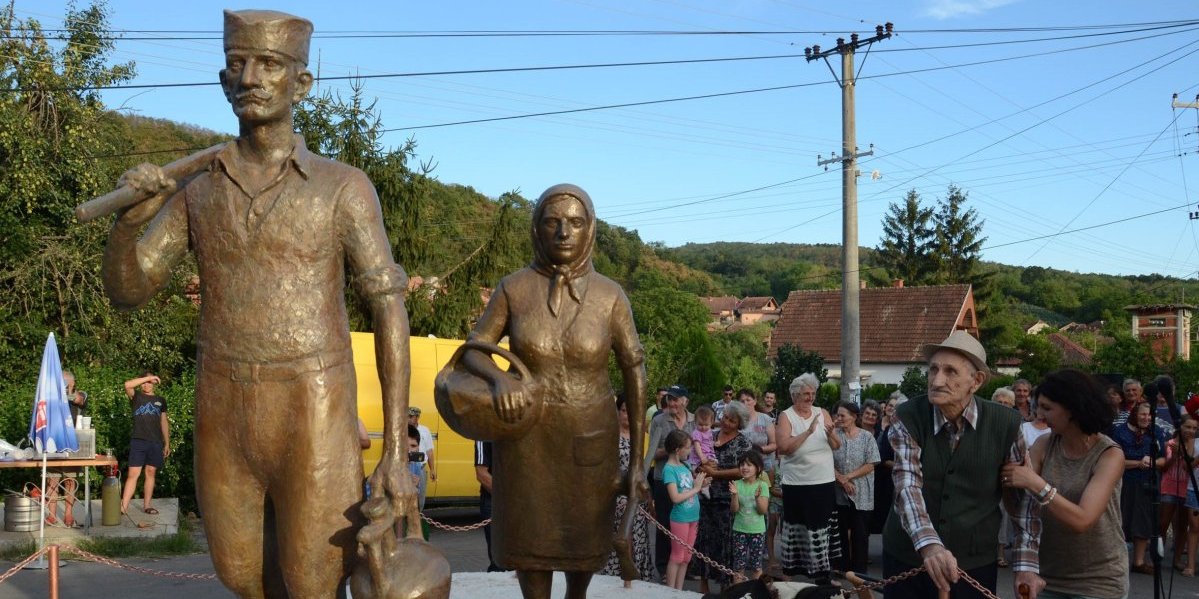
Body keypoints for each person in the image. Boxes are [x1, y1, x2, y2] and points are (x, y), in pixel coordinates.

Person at [100, 10, 418, 596]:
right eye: (237, 65)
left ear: (300, 83)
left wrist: (396, 451)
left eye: (269, 64)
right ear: (225, 83)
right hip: (222, 402)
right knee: (241, 577)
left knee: (315, 581)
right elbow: (130, 290)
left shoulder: (342, 187)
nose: (250, 77)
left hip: (313, 403)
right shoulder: (198, 190)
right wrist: (126, 227)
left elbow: (388, 306)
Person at [461, 184, 647, 599]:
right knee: (532, 545)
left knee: (583, 544)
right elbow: (473, 352)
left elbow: (635, 369)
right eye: (552, 222)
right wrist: (500, 378)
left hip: (589, 440)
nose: (564, 232)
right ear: (537, 230)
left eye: (575, 223)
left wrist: (636, 462)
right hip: (527, 441)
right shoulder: (514, 288)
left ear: (590, 230)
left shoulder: (609, 295)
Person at [882, 331, 1031, 599]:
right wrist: (929, 546)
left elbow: (1020, 500)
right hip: (907, 557)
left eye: (951, 372)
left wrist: (1026, 564)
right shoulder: (908, 416)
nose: (937, 380)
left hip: (974, 561)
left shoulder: (1007, 424)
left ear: (976, 381)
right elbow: (907, 485)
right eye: (934, 369)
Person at [1000, 368, 1127, 599]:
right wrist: (1009, 483)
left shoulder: (1109, 454)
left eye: (1047, 408)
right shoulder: (1043, 444)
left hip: (1099, 583)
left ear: (1073, 409)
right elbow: (1022, 509)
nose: (1039, 414)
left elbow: (1082, 520)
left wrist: (1034, 482)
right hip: (1047, 577)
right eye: (1038, 406)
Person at [777, 373, 841, 583]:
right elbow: (784, 448)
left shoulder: (822, 412)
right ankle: (790, 577)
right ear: (795, 395)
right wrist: (808, 432)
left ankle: (822, 576)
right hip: (797, 484)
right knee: (797, 529)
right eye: (806, 394)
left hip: (822, 482)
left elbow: (837, 446)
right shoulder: (786, 416)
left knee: (821, 529)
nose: (810, 398)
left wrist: (830, 433)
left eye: (813, 393)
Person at [694, 401, 754, 593]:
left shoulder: (743, 442)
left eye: (731, 420)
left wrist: (716, 473)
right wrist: (702, 468)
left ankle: (724, 588)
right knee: (703, 542)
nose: (726, 422)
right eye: (725, 417)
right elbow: (695, 459)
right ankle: (703, 586)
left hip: (727, 500)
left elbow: (743, 471)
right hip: (705, 497)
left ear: (739, 424)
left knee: (724, 545)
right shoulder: (708, 435)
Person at [600, 395, 655, 582]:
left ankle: (635, 578)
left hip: (637, 497)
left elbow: (645, 469)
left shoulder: (641, 438)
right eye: (624, 410)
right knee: (619, 538)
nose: (628, 415)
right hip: (616, 497)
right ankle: (616, 577)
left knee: (637, 538)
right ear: (617, 411)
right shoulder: (609, 436)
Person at [1110, 401, 1166, 574]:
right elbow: (1111, 460)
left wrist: (1153, 462)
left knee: (1143, 522)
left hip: (1148, 483)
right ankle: (1114, 563)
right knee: (1119, 521)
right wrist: (1137, 463)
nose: (1146, 418)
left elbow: (1164, 460)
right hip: (1124, 482)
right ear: (1135, 414)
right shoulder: (1119, 432)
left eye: (1149, 415)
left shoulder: (1155, 432)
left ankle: (1139, 562)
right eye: (1143, 414)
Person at [645, 384, 695, 576]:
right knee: (664, 523)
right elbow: (651, 454)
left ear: (685, 401)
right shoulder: (659, 420)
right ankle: (664, 566)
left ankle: (684, 565)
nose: (672, 402)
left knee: (686, 521)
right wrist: (674, 448)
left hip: (686, 479)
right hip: (664, 478)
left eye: (676, 399)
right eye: (670, 399)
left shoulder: (693, 420)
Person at [832, 401, 880, 576]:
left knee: (860, 534)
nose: (839, 418)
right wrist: (842, 480)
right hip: (839, 491)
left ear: (854, 417)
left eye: (842, 415)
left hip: (862, 493)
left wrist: (848, 477)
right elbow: (826, 461)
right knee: (840, 533)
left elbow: (871, 464)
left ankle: (859, 572)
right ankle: (841, 568)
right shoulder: (834, 436)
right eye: (837, 415)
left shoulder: (867, 437)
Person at [663, 429, 707, 590]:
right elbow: (675, 497)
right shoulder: (669, 469)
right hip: (680, 518)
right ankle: (670, 591)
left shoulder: (685, 465)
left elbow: (689, 487)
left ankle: (679, 591)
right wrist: (696, 489)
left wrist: (702, 484)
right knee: (677, 556)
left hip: (693, 516)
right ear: (677, 449)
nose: (690, 450)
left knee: (686, 557)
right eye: (688, 447)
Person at [120, 372, 169, 516]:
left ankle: (147, 506)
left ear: (154, 384)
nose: (146, 385)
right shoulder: (136, 397)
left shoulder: (160, 400)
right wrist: (148, 377)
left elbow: (164, 422)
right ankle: (123, 507)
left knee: (151, 472)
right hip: (138, 440)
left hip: (155, 442)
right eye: (145, 382)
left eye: (149, 382)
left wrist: (167, 443)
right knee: (133, 474)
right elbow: (127, 385)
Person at [45, 370, 89, 527]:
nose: (60, 386)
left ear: (71, 383)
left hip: (72, 442)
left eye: (64, 383)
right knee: (52, 479)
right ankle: (51, 515)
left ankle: (68, 515)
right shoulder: (52, 396)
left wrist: (68, 391)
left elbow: (78, 400)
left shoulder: (81, 394)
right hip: (54, 442)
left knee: (70, 480)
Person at [1161, 414, 1198, 573]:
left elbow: (1189, 466)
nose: (1190, 430)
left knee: (1183, 526)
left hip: (1187, 486)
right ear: (1180, 426)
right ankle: (1158, 556)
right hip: (1170, 485)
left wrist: (1183, 453)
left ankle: (1177, 560)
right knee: (1162, 524)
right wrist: (1176, 453)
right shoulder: (1170, 443)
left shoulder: (1192, 444)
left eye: (1194, 428)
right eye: (1187, 426)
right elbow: (1165, 466)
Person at [729, 450, 770, 581]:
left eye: (749, 465)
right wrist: (735, 495)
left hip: (757, 531)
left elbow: (762, 511)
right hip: (739, 530)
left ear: (758, 468)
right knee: (738, 566)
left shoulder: (762, 485)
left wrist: (757, 498)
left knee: (756, 566)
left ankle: (755, 593)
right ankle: (738, 593)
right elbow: (734, 510)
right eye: (742, 464)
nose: (744, 467)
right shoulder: (736, 484)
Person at [475, 440, 504, 573]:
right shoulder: (483, 435)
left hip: (520, 502)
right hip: (493, 501)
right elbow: (481, 473)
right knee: (498, 558)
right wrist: (507, 497)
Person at [408, 406, 436, 510]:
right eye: (408, 416)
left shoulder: (425, 430)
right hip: (405, 466)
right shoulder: (402, 430)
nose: (409, 419)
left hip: (420, 467)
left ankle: (418, 516)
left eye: (412, 416)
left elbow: (429, 451)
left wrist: (432, 469)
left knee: (420, 495)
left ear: (417, 417)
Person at [690, 406, 718, 471]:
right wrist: (701, 457)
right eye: (700, 424)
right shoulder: (697, 433)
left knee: (714, 466)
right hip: (698, 456)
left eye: (706, 425)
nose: (703, 427)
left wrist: (714, 443)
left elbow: (708, 442)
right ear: (695, 422)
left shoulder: (709, 431)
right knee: (701, 469)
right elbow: (697, 446)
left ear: (711, 423)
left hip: (708, 454)